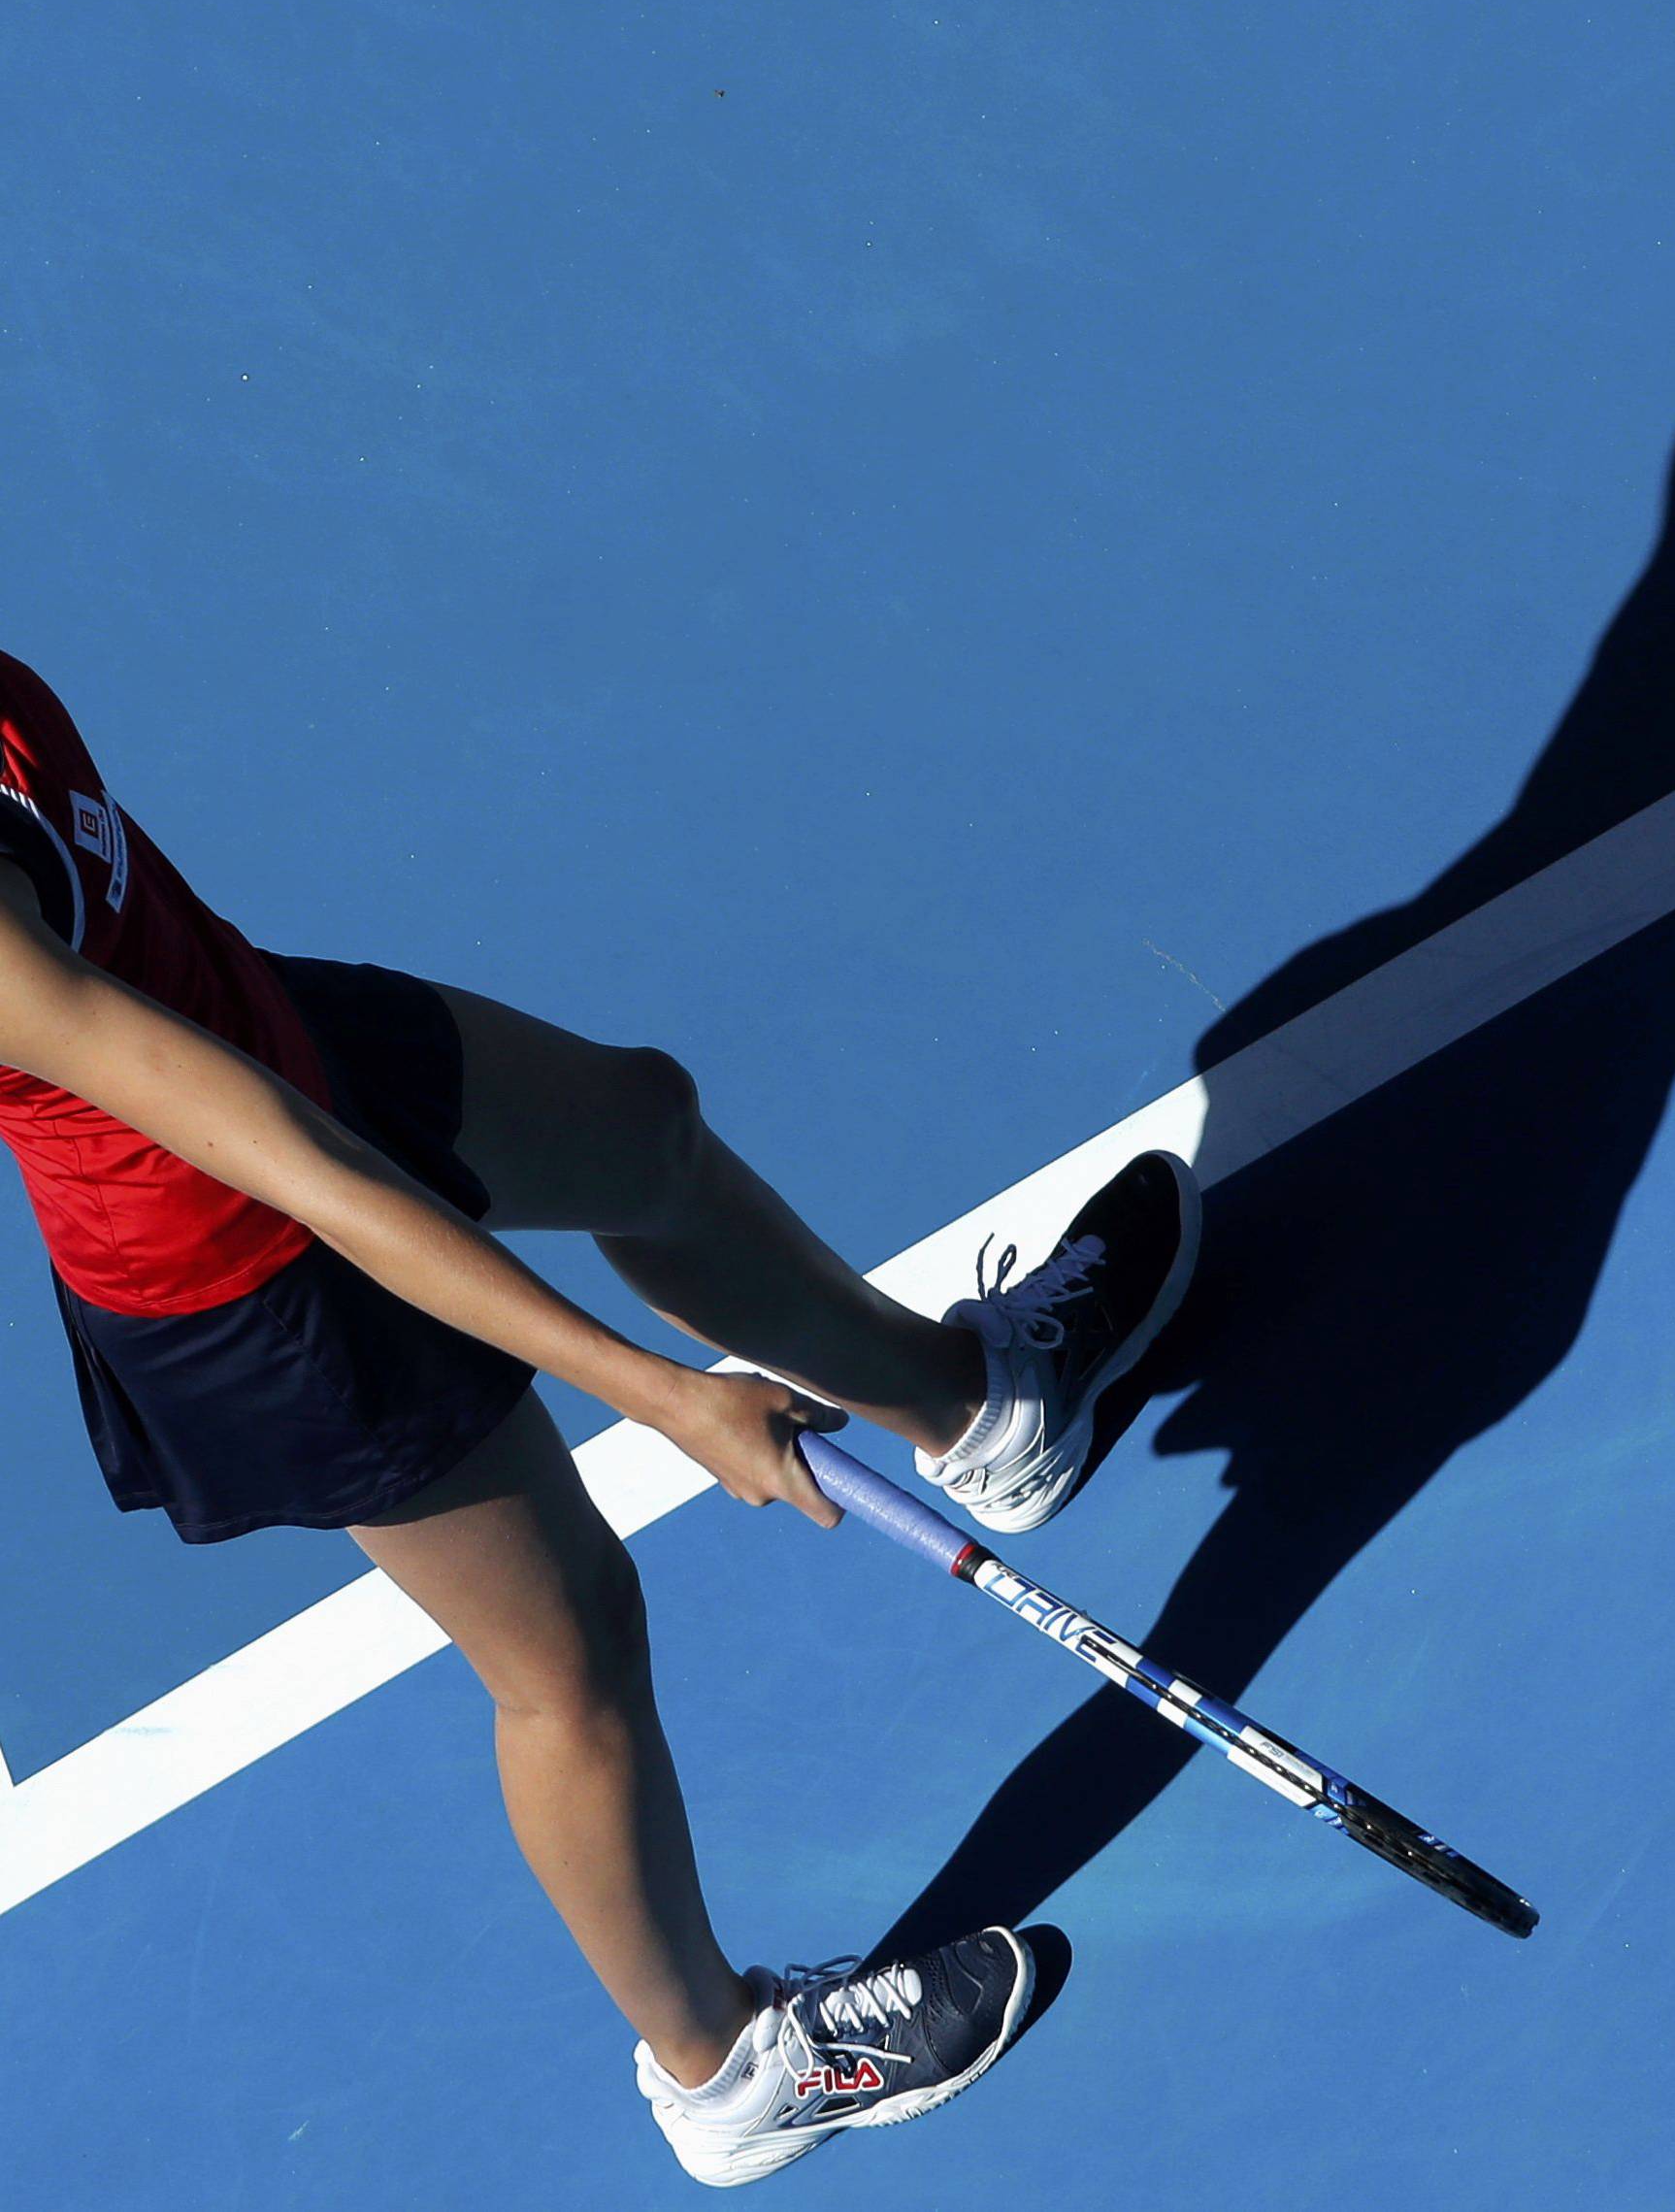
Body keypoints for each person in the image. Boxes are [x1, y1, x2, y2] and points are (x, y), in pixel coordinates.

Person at [0, 647, 1200, 2186]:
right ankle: (735, 2072)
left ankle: (991, 1412)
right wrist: (660, 1397)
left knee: (643, 1133)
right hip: (245, 1258)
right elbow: (312, 1179)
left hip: (253, 1028)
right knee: (570, 1660)